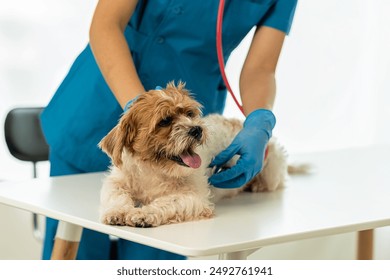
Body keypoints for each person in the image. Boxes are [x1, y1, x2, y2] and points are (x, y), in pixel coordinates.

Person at [40, 0, 298, 260]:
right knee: (76, 257)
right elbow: (105, 25)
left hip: (187, 118)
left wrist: (259, 120)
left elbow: (261, 69)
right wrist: (139, 111)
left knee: (156, 258)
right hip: (95, 107)